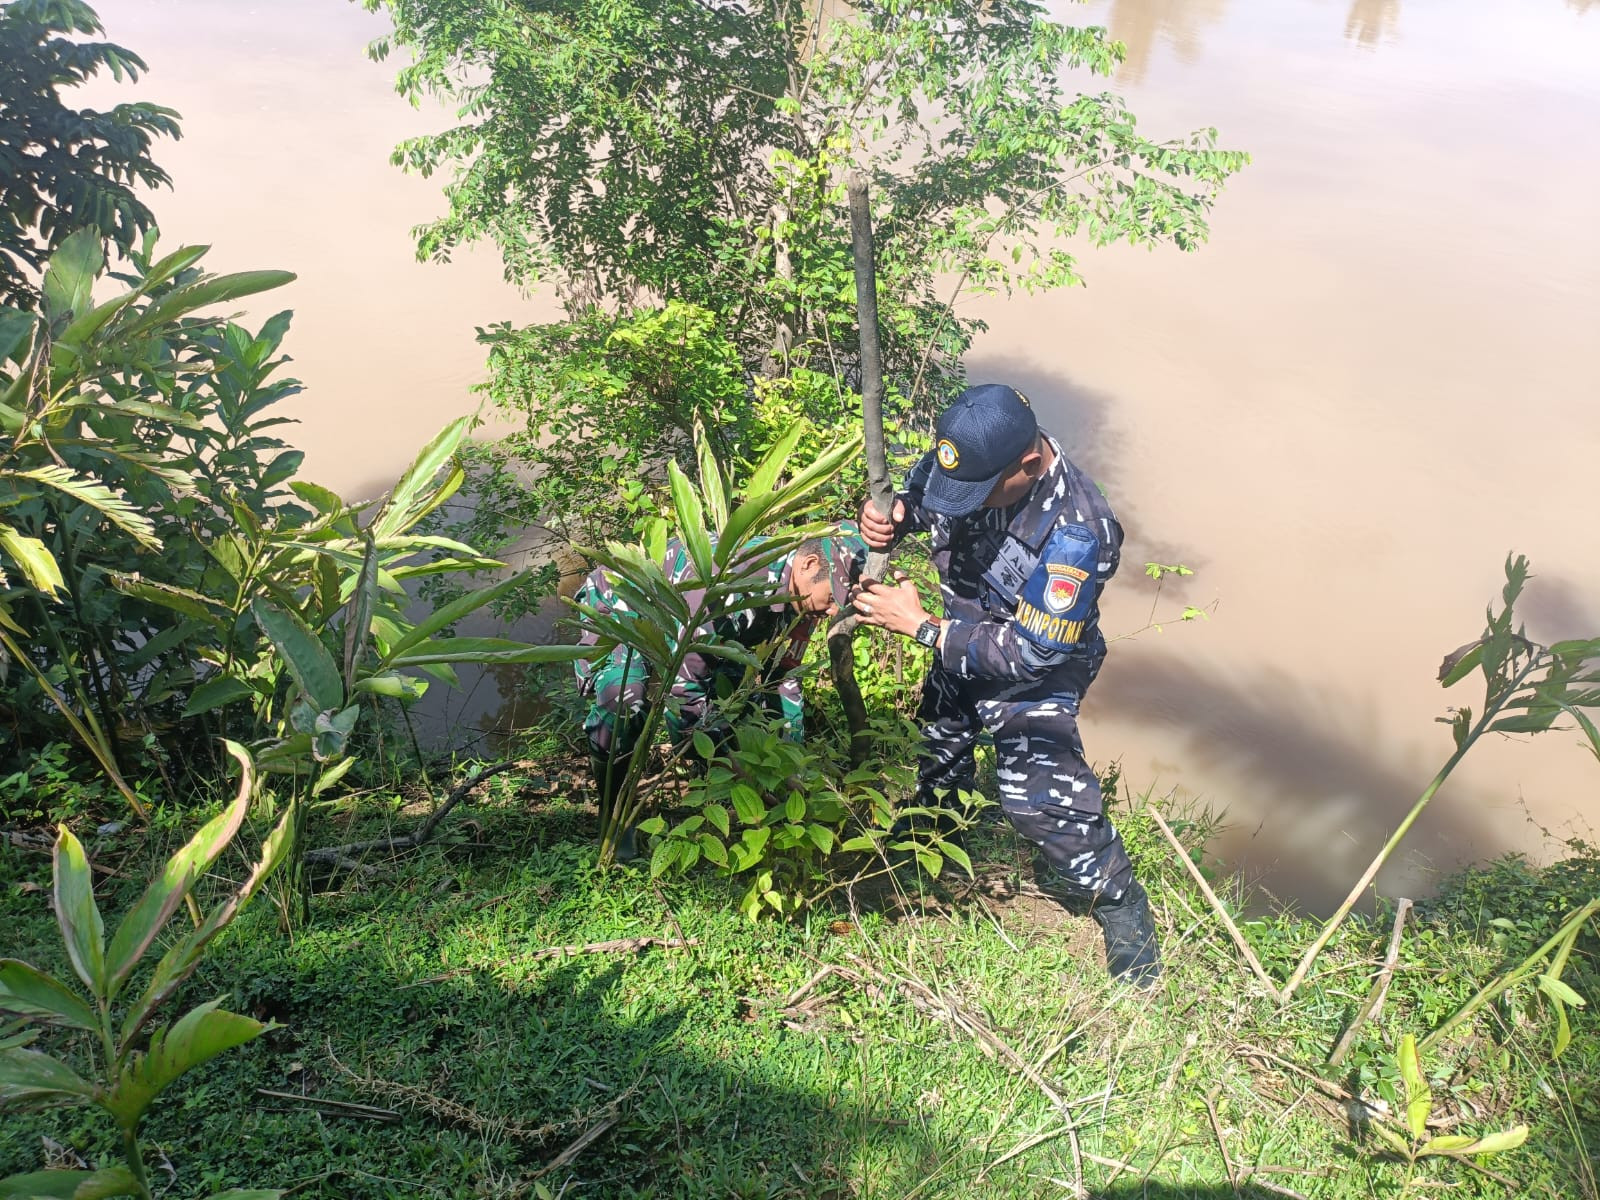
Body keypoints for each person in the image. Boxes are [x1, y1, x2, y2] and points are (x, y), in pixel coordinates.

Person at [854, 383, 1161, 987]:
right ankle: (934, 833)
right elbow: (924, 495)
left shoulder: (1080, 529)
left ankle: (1121, 901)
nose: (962, 502)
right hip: (958, 630)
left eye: (977, 493)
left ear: (1027, 464)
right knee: (940, 743)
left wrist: (920, 629)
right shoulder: (970, 450)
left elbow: (1030, 652)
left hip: (1035, 661)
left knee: (1036, 795)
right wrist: (893, 516)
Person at [573, 526, 866, 855]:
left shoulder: (804, 596)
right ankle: (614, 816)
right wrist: (743, 773)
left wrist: (788, 769)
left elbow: (782, 678)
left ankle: (710, 783)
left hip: (699, 629)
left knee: (733, 696)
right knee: (623, 700)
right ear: (808, 564)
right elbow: (684, 698)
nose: (831, 612)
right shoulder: (733, 585)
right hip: (624, 602)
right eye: (832, 599)